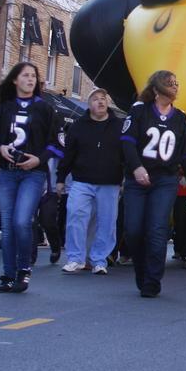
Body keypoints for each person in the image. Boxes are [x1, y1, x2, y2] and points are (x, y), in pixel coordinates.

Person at [0, 61, 64, 294]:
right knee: (8, 226)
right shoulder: (4, 109)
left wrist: (39, 160)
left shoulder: (46, 109)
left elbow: (57, 145)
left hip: (33, 174)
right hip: (7, 173)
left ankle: (24, 269)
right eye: (25, 75)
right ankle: (8, 275)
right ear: (14, 80)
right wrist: (0, 149)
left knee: (22, 221)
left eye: (33, 76)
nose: (30, 79)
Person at [121, 70, 186, 298]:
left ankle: (152, 280)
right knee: (134, 230)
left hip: (165, 180)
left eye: (176, 82)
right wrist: (136, 167)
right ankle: (141, 270)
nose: (175, 86)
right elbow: (126, 142)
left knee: (157, 229)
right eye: (169, 83)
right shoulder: (139, 111)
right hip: (137, 179)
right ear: (156, 90)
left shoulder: (181, 117)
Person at [56, 88, 124, 275]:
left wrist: (125, 177)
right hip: (82, 180)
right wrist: (61, 179)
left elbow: (126, 153)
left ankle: (99, 259)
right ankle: (75, 258)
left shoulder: (118, 125)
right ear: (89, 104)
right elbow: (68, 155)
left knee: (107, 222)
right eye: (96, 99)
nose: (101, 102)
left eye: (103, 98)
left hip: (110, 182)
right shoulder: (78, 126)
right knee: (75, 215)